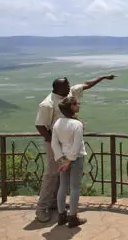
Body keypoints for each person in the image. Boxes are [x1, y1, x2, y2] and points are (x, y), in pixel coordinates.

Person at [35, 74, 116, 222]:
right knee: (52, 174)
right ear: (58, 88)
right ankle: (41, 208)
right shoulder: (47, 104)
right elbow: (40, 126)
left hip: (63, 144)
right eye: (66, 86)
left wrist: (103, 77)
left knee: (61, 179)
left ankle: (56, 205)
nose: (70, 87)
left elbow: (86, 84)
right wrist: (55, 146)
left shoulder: (69, 93)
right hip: (57, 144)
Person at [51, 96, 87, 228]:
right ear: (71, 107)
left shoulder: (57, 123)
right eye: (77, 104)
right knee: (75, 188)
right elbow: (77, 145)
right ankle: (73, 217)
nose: (79, 105)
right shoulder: (77, 124)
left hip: (63, 158)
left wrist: (61, 159)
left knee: (63, 187)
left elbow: (54, 144)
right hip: (75, 158)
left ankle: (61, 216)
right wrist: (69, 160)